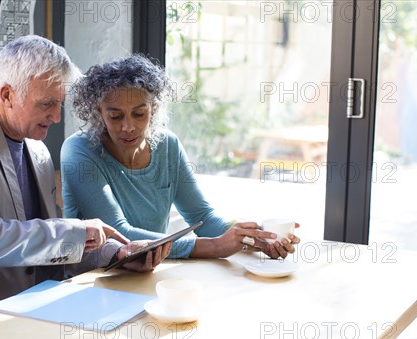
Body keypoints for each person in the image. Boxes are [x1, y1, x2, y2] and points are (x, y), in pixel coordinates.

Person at [0, 37, 171, 339]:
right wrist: (75, 231)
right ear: (7, 94)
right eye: (46, 104)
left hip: (22, 315)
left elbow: (43, 243)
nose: (56, 116)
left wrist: (116, 254)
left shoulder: (37, 150)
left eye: (59, 103)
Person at [60, 54, 300, 260]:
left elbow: (201, 216)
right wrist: (216, 246)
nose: (128, 127)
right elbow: (120, 233)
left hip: (151, 271)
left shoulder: (167, 144)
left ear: (153, 108)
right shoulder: (79, 152)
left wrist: (253, 237)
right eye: (115, 116)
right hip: (92, 281)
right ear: (98, 112)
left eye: (139, 113)